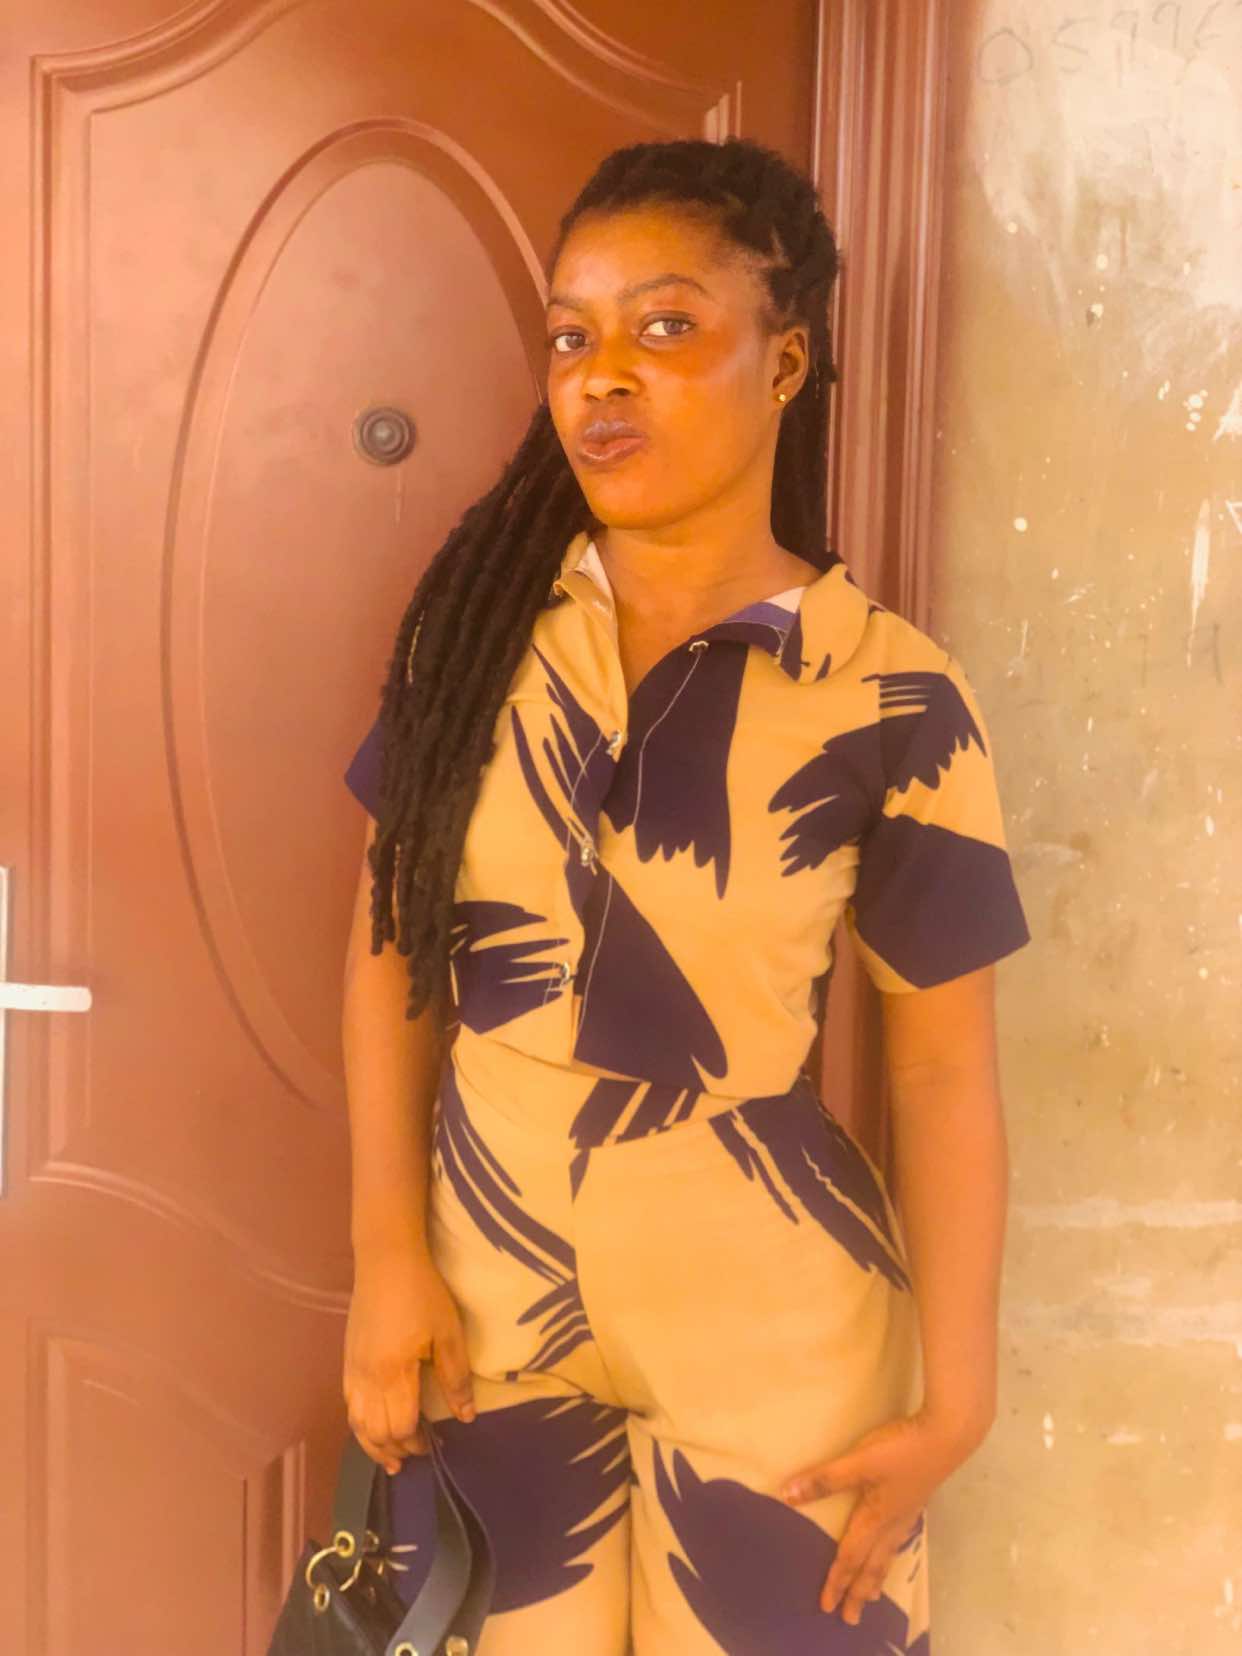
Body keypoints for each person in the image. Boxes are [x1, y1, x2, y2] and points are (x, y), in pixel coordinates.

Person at [339, 135, 1031, 1655]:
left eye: (664, 326)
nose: (601, 375)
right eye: (570, 335)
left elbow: (940, 1067)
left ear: (783, 362)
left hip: (777, 1329)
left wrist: (960, 1402)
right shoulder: (475, 642)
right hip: (485, 1314)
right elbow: (390, 950)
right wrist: (386, 1257)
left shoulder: (890, 693)